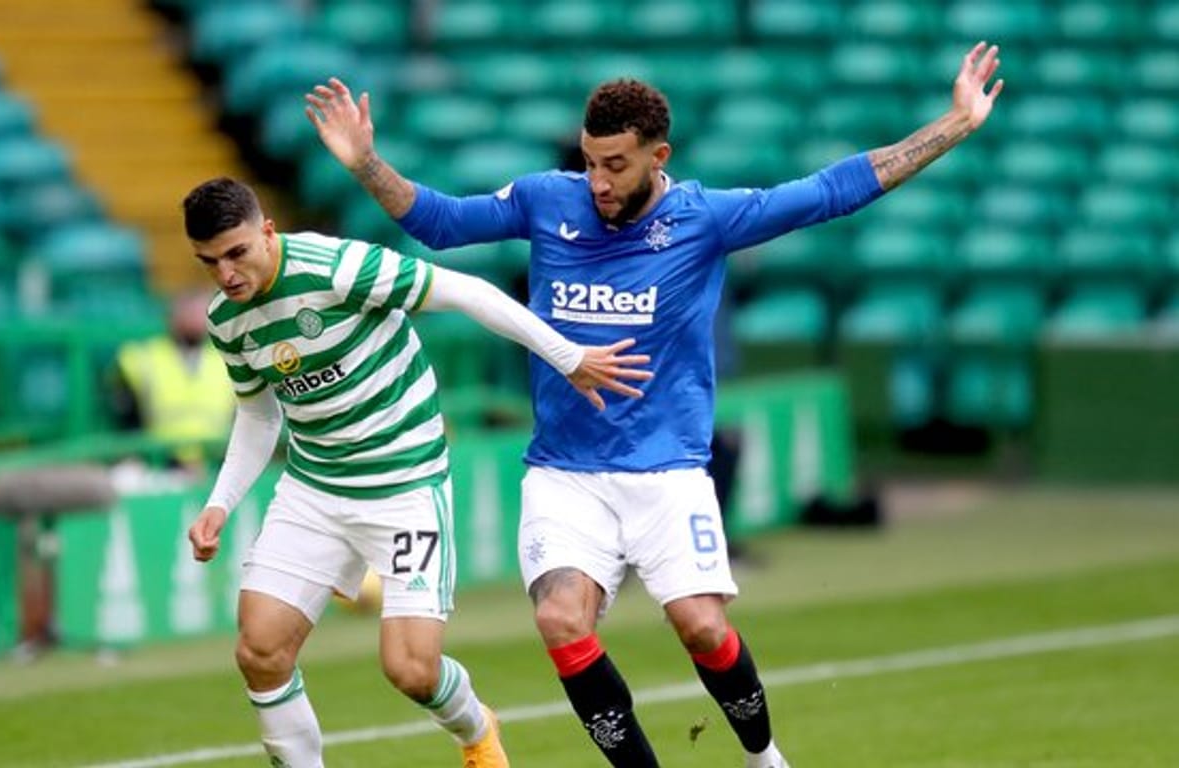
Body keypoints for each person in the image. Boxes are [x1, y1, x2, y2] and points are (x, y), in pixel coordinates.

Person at [307, 41, 1004, 767]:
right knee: (559, 619)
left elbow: (831, 190)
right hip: (565, 472)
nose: (598, 182)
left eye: (616, 165)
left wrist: (954, 124)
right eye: (589, 161)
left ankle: (765, 759)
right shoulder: (550, 201)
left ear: (657, 155)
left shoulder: (706, 218)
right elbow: (439, 223)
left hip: (667, 470)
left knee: (702, 627)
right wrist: (364, 164)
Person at [181, 177, 653, 767]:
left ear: (267, 231)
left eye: (236, 253)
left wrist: (569, 357)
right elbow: (258, 414)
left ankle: (477, 729)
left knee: (410, 669)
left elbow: (470, 293)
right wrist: (220, 503)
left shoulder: (339, 268)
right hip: (315, 489)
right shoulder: (227, 318)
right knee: (259, 650)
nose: (226, 274)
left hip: (404, 484)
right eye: (209, 262)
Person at [111, 289, 236, 470]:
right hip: (159, 464)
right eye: (189, 311)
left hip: (218, 464)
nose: (196, 319)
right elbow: (125, 417)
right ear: (173, 315)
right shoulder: (140, 357)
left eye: (201, 312)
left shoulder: (228, 360)